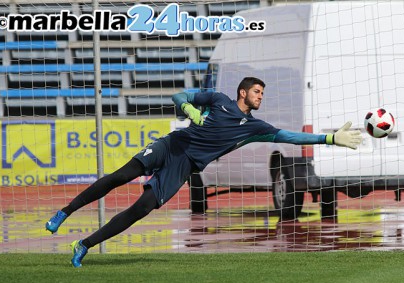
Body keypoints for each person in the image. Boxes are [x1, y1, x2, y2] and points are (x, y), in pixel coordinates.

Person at [45, 77, 362, 267]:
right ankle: (64, 212)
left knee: (141, 209)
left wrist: (330, 138)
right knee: (119, 176)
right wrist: (189, 109)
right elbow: (178, 96)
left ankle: (83, 245)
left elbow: (291, 136)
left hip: (185, 166)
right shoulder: (218, 100)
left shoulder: (255, 127)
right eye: (256, 92)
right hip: (172, 145)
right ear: (242, 93)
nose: (260, 97)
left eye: (262, 94)